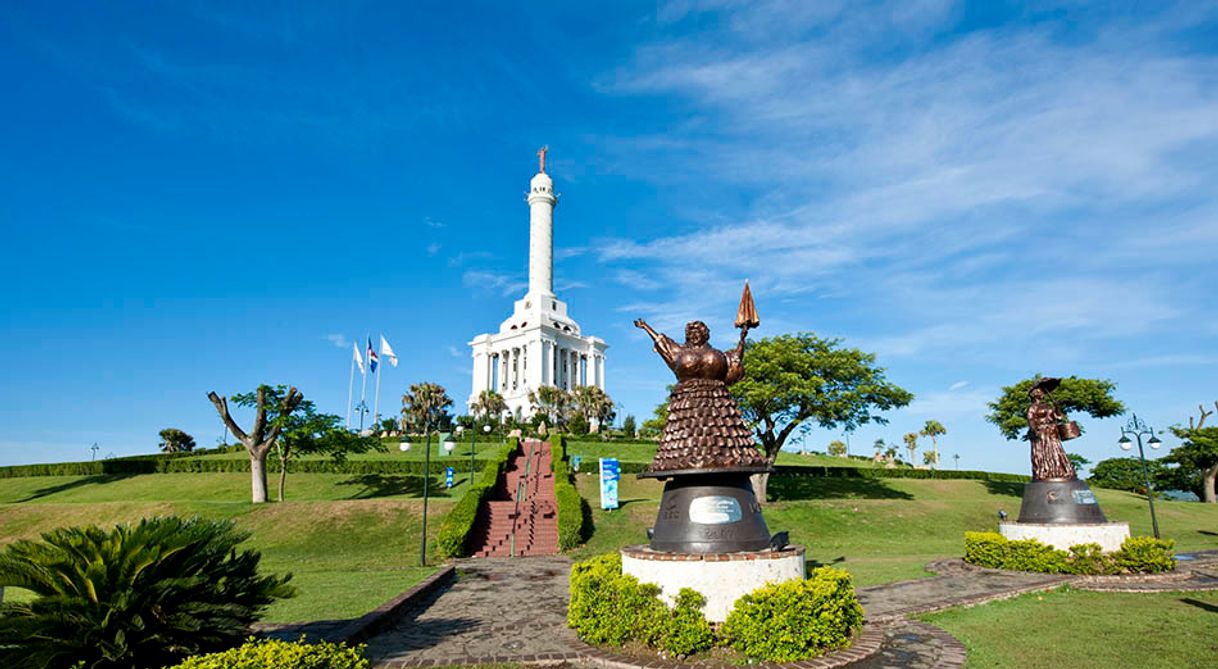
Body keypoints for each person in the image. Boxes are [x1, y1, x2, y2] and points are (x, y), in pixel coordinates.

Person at [633, 318, 769, 474]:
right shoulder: (680, 351)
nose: (694, 336)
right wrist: (645, 327)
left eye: (698, 332)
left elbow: (733, 366)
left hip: (717, 403)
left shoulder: (717, 354)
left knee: (723, 441)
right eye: (691, 333)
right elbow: (662, 342)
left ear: (705, 335)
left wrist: (742, 340)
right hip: (687, 405)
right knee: (687, 444)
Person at [1026, 377, 1076, 481]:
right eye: (1040, 391)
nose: (1042, 393)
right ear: (1035, 394)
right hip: (1042, 433)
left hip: (1052, 432)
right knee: (1044, 453)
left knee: (1056, 452)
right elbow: (1030, 420)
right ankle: (1045, 472)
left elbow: (1058, 417)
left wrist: (1057, 407)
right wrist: (1035, 430)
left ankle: (1061, 471)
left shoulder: (1047, 406)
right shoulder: (1033, 407)